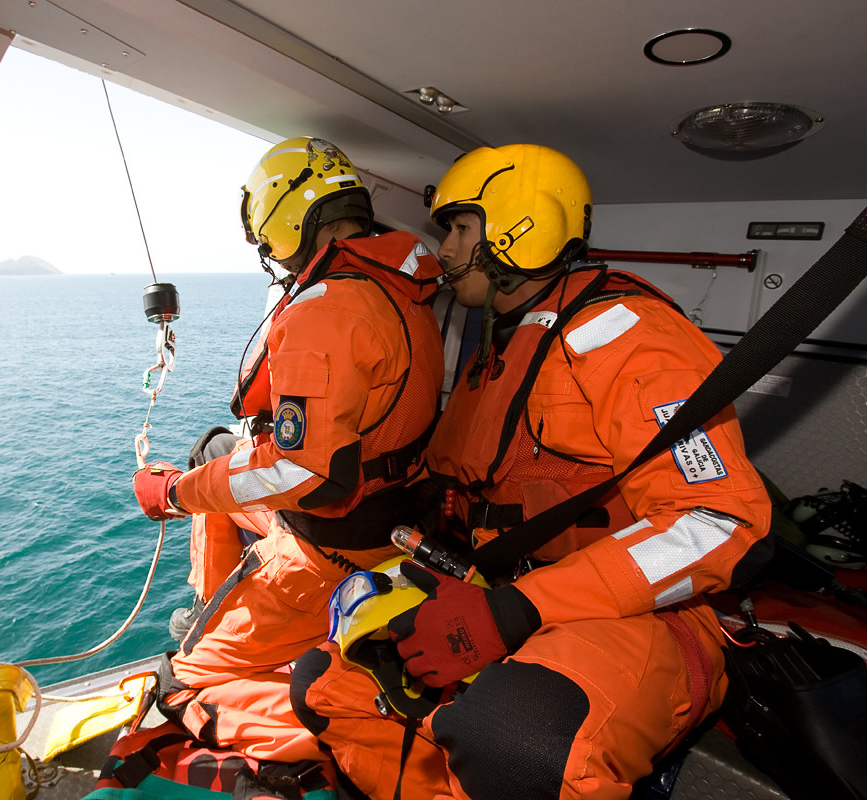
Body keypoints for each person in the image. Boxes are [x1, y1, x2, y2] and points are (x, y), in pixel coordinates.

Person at [290, 144, 774, 798]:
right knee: (326, 681)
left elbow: (720, 522)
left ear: (523, 228)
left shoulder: (629, 335)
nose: (445, 251)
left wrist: (521, 608)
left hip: (642, 617)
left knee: (515, 741)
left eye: (460, 230)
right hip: (499, 585)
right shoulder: (500, 341)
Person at [131, 136, 447, 761]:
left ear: (286, 220)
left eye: (268, 239)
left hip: (327, 545)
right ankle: (213, 611)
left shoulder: (323, 310)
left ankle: (371, 721)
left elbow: (307, 472)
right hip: (391, 520)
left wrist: (171, 494)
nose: (272, 255)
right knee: (211, 457)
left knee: (183, 685)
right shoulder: (398, 290)